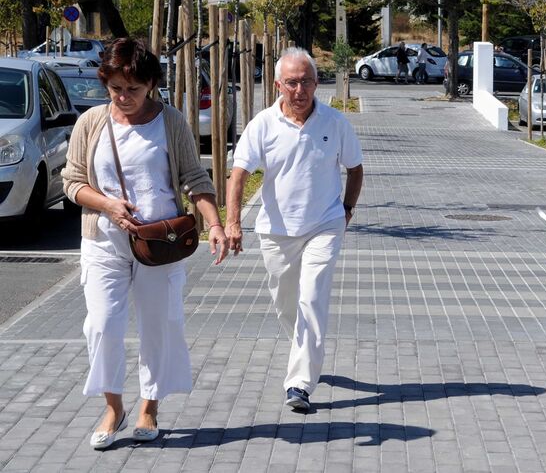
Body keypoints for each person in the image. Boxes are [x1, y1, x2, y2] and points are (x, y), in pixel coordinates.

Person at [62, 38, 229, 449]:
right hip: (104, 240)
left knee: (160, 326)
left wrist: (216, 225)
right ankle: (113, 406)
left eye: (133, 89)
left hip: (161, 243)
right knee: (101, 325)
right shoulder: (92, 123)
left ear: (151, 84)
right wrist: (107, 205)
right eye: (116, 88)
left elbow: (195, 178)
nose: (123, 97)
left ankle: (149, 407)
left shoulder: (170, 122)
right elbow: (72, 182)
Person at [226, 47, 364, 411]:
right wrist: (233, 222)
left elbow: (355, 168)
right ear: (277, 85)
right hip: (276, 231)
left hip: (324, 224)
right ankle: (306, 349)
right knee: (286, 303)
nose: (299, 90)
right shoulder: (262, 125)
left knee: (312, 298)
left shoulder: (335, 123)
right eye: (292, 83)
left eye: (306, 82)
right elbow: (239, 173)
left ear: (317, 83)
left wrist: (346, 209)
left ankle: (300, 383)